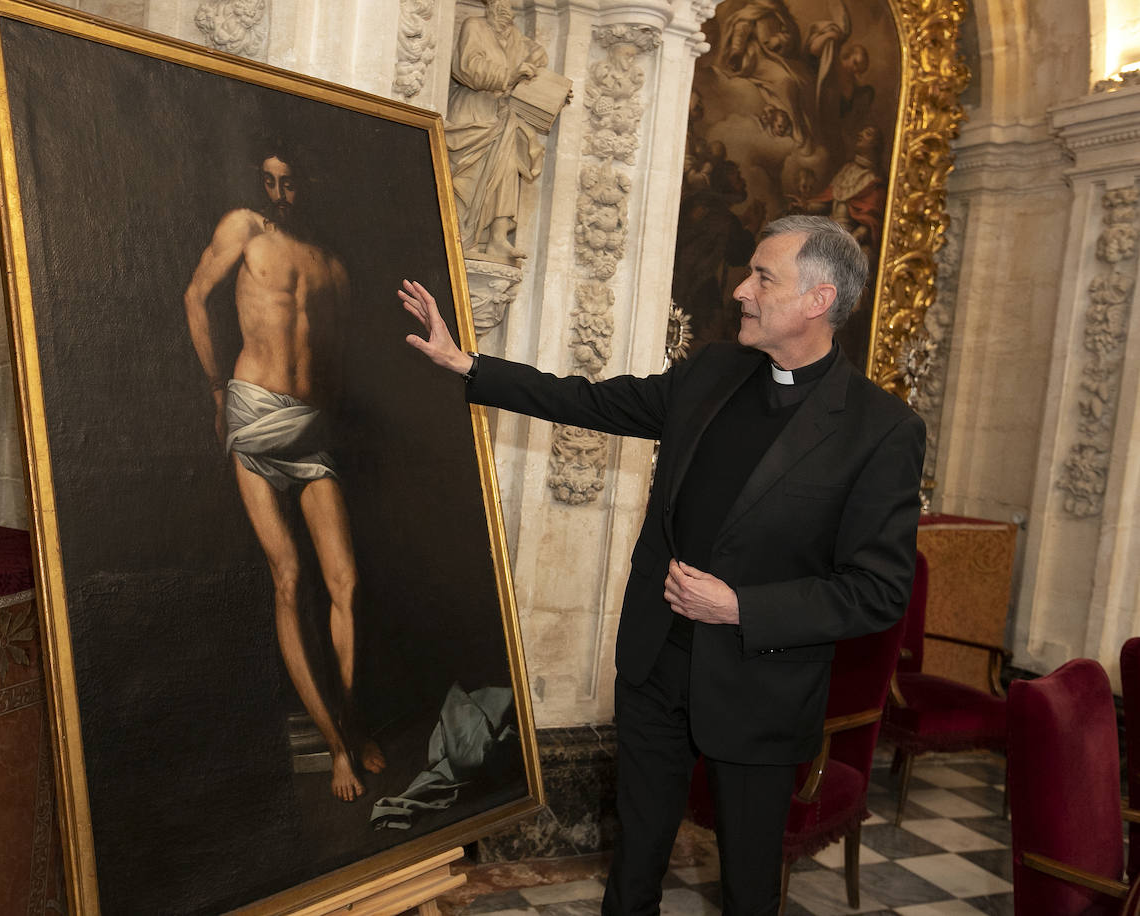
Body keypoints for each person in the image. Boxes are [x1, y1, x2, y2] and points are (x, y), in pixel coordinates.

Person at [399, 214, 924, 916]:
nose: (742, 289)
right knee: (634, 866)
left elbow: (878, 592)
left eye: (763, 277)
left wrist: (740, 607)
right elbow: (590, 401)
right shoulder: (711, 371)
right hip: (656, 664)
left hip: (758, 685)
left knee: (746, 887)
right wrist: (468, 365)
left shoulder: (881, 430)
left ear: (817, 300)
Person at [183, 142, 384, 802]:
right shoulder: (243, 227)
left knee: (345, 581)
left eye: (289, 181)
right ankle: (337, 749)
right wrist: (217, 395)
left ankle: (352, 721)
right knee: (289, 577)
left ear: (307, 184)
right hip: (251, 407)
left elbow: (335, 359)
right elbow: (194, 297)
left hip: (308, 424)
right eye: (268, 180)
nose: (278, 193)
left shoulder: (331, 265)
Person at [446, 0, 551, 263]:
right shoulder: (475, 26)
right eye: (501, 5)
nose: (507, 12)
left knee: (506, 171)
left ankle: (497, 239)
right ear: (490, 6)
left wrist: (545, 81)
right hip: (473, 111)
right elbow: (468, 67)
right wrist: (510, 74)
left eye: (511, 6)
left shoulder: (515, 36)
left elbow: (537, 54)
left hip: (501, 115)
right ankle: (457, 233)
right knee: (466, 177)